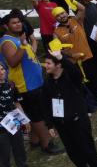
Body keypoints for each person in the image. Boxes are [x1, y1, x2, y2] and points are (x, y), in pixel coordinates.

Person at [0, 12, 62, 155]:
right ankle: (47, 144)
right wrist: (22, 45)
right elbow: (13, 62)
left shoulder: (18, 39)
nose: (18, 24)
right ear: (6, 26)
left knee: (33, 113)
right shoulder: (7, 42)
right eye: (14, 23)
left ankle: (35, 140)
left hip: (34, 83)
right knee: (37, 116)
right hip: (26, 86)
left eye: (19, 22)